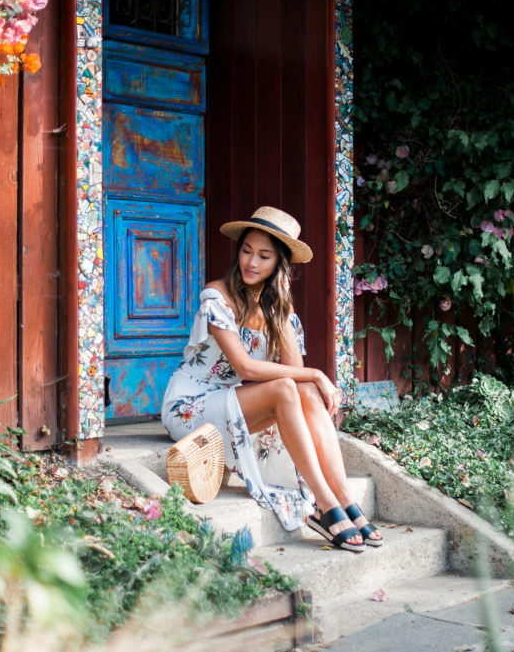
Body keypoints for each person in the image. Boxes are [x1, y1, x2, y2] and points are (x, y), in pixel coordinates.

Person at [160, 206, 383, 552]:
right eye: (247, 250)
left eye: (264, 256)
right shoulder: (216, 297)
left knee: (305, 392)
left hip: (233, 407)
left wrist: (281, 310)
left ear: (279, 266)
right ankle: (325, 504)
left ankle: (343, 497)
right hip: (191, 406)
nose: (251, 262)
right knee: (289, 386)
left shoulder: (280, 310)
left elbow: (298, 380)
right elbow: (247, 369)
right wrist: (317, 373)